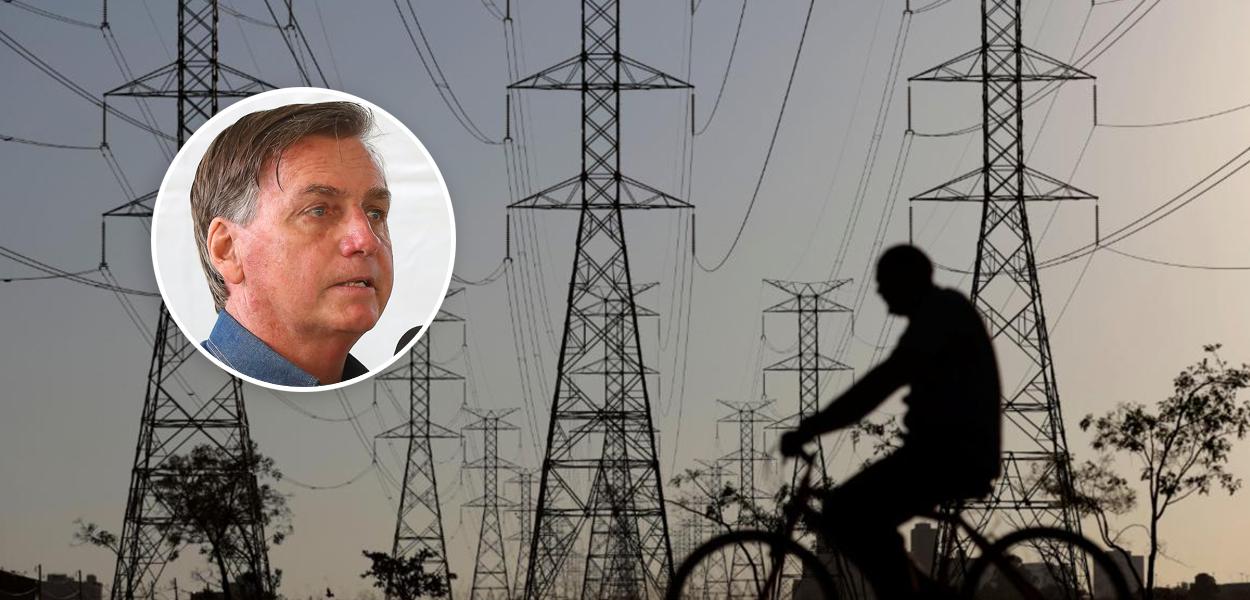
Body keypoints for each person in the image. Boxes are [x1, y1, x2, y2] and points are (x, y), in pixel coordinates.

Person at [780, 244, 1002, 599]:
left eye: (885, 284)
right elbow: (883, 382)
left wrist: (811, 428)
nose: (881, 293)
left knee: (843, 510)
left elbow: (878, 385)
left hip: (950, 453)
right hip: (947, 450)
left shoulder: (938, 317)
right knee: (861, 515)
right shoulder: (939, 314)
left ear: (906, 280)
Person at [190, 101, 394, 387]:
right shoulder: (192, 396)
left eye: (375, 213)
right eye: (318, 211)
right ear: (228, 250)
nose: (367, 240)